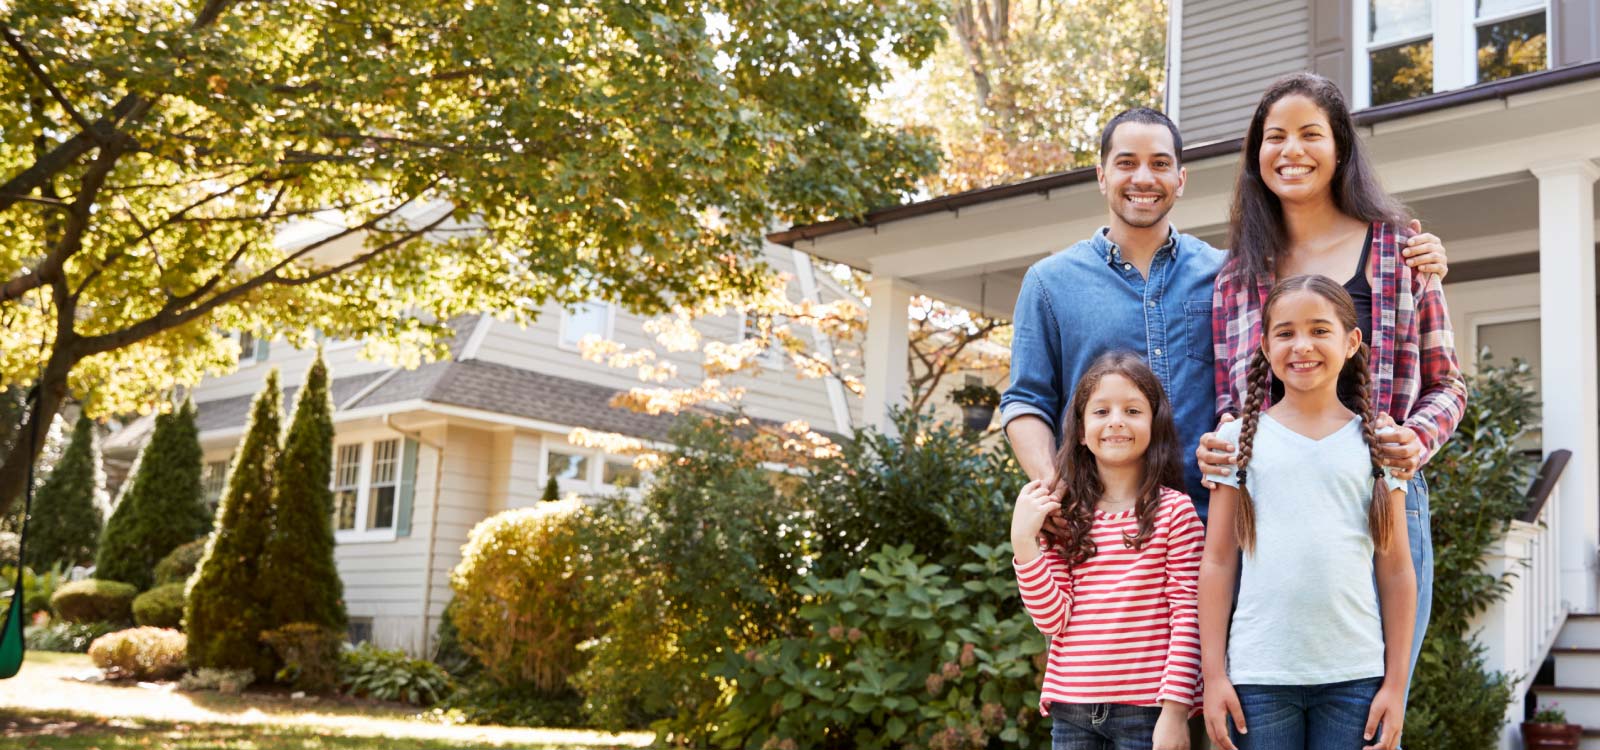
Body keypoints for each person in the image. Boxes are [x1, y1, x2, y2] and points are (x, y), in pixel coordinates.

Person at [1001, 107, 1448, 524]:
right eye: (1126, 163)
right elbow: (1026, 401)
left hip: (1217, 517)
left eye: (1159, 164)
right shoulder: (1049, 283)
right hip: (1101, 523)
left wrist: (1416, 256)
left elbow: (1312, 295)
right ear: (1101, 176)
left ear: (1181, 178)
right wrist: (1053, 488)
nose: (1143, 178)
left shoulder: (1233, 274)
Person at [1198, 72, 1467, 697]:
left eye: (1309, 134)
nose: (1291, 151)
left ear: (1340, 148)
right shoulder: (1236, 276)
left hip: (1382, 503)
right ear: (1255, 155)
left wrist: (1411, 441)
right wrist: (1219, 441)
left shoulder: (1402, 249)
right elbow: (1229, 403)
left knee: (1375, 707)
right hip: (1268, 512)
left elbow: (1447, 384)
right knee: (1261, 693)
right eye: (1275, 138)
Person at [1199, 275, 1416, 750]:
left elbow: (1397, 568)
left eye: (1320, 330)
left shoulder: (1380, 444)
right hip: (1259, 676)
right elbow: (1217, 561)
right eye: (1285, 332)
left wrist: (1396, 685)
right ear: (1264, 345)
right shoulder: (1236, 443)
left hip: (1355, 676)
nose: (1302, 346)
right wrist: (1213, 676)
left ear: (1352, 341)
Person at [1011, 351, 1204, 750]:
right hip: (1072, 708)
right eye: (1101, 411)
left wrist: (1174, 711)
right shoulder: (1064, 518)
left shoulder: (1176, 513)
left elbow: (1188, 618)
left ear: (1154, 424)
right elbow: (1051, 619)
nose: (1116, 420)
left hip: (1147, 710)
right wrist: (1023, 543)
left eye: (1132, 410)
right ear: (1081, 431)